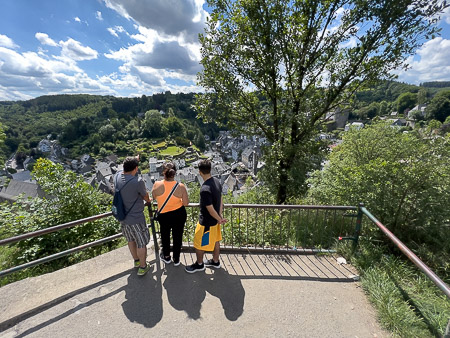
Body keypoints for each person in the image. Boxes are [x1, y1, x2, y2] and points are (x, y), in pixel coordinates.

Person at [185, 159, 227, 273]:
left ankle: (199, 264)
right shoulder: (217, 181)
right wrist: (220, 216)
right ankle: (215, 261)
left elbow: (209, 208)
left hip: (206, 223)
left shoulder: (205, 189)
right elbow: (221, 199)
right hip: (215, 221)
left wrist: (219, 219)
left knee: (199, 244)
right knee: (216, 240)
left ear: (200, 172)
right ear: (210, 169)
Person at [114, 155, 152, 276]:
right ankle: (143, 266)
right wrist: (149, 199)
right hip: (136, 218)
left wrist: (134, 160)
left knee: (130, 240)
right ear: (135, 168)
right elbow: (146, 197)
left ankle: (136, 261)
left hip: (123, 218)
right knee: (141, 243)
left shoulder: (117, 177)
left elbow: (123, 170)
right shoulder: (137, 182)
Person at [152, 162, 189, 266]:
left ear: (163, 172)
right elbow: (186, 203)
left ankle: (166, 256)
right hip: (178, 214)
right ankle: (176, 259)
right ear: (174, 172)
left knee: (165, 235)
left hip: (164, 215)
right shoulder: (180, 186)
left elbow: (154, 197)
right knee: (177, 236)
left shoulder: (157, 185)